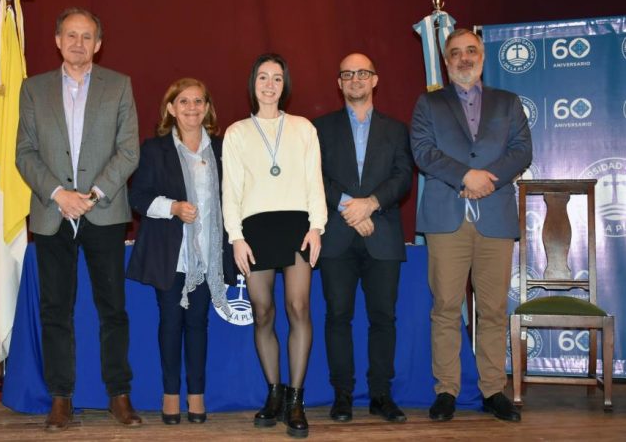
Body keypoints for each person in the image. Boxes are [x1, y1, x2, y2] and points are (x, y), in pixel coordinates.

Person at [15, 7, 141, 431]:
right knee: (55, 310)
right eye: (71, 35)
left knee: (113, 309)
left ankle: (119, 394)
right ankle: (60, 398)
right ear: (57, 40)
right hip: (52, 213)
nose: (78, 43)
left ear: (98, 44)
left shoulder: (119, 85)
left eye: (87, 37)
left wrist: (92, 194)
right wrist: (59, 195)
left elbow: (129, 150)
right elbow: (24, 153)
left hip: (103, 211)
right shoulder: (33, 89)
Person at [410, 28, 532, 423]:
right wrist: (466, 176)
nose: (464, 58)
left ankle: (493, 390)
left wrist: (486, 180)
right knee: (446, 307)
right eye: (456, 53)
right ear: (446, 62)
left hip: (495, 217)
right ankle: (446, 390)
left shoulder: (508, 102)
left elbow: (522, 151)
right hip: (447, 218)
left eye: (471, 51)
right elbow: (423, 151)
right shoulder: (429, 103)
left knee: (493, 309)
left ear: (482, 56)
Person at [222, 53, 327, 438]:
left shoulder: (303, 128)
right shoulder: (236, 133)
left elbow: (315, 181)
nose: (269, 85)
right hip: (255, 229)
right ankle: (274, 393)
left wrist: (317, 226)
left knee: (298, 307)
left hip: (298, 226)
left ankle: (296, 399)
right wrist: (235, 237)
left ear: (286, 85)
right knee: (263, 312)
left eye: (277, 78)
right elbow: (230, 189)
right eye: (263, 77)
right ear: (253, 83)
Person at [126, 78, 235, 425]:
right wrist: (172, 207)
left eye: (198, 101)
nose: (192, 108)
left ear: (207, 108)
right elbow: (137, 197)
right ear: (171, 108)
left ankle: (197, 395)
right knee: (171, 323)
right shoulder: (154, 149)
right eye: (184, 101)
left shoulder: (223, 149)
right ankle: (170, 394)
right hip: (170, 255)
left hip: (208, 256)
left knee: (198, 324)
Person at [313, 53, 413, 423]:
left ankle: (380, 395)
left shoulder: (396, 129)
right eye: (347, 74)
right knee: (337, 317)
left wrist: (370, 204)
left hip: (382, 234)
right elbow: (313, 176)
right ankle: (342, 395)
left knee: (383, 318)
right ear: (339, 83)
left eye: (362, 73)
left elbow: (403, 177)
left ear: (375, 80)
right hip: (337, 236)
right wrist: (349, 207)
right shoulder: (319, 128)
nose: (355, 79)